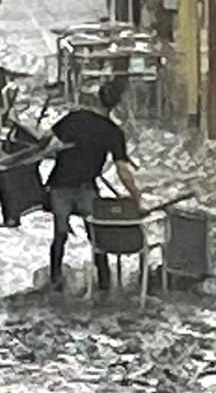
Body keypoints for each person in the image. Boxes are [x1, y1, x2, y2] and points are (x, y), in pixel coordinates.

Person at [46, 77, 143, 291]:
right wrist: (136, 196)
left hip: (60, 185)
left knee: (60, 235)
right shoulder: (113, 133)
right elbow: (123, 171)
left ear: (96, 99)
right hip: (86, 188)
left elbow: (47, 143)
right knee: (98, 237)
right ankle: (104, 284)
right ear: (117, 105)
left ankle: (55, 280)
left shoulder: (74, 118)